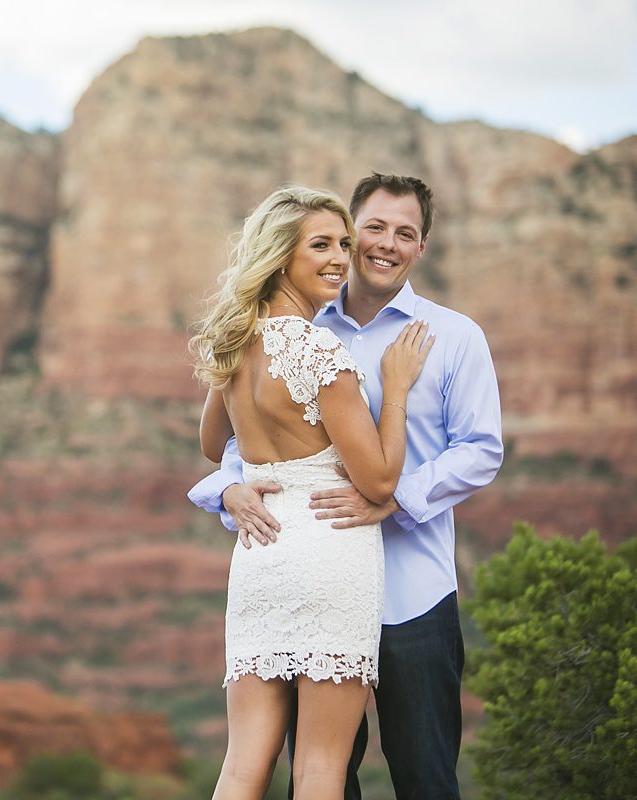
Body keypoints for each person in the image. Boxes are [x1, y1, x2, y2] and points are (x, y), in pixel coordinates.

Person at [188, 173, 504, 799]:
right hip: (330, 573)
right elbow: (231, 450)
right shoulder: (314, 337)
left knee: (425, 780)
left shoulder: (455, 335)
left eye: (406, 233)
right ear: (355, 234)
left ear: (422, 247)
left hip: (413, 594)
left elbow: (482, 450)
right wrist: (226, 490)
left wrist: (394, 499)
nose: (384, 244)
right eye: (370, 230)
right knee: (326, 773)